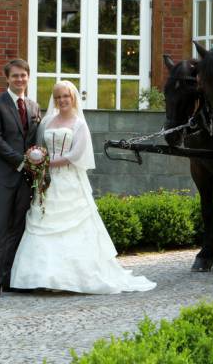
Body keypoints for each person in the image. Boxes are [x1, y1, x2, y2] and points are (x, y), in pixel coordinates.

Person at [10, 80, 156, 294]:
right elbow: (40, 147)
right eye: (58, 97)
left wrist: (48, 162)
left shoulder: (79, 124)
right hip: (48, 182)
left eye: (65, 96)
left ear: (73, 98)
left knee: (73, 226)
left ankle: (72, 279)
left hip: (69, 181)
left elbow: (76, 155)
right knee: (43, 222)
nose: (62, 100)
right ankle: (44, 278)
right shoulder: (47, 121)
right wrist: (37, 161)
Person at [0, 59, 40, 299]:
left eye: (23, 75)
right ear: (7, 78)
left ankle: (8, 278)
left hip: (25, 179)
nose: (20, 79)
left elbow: (33, 142)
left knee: (18, 228)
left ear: (28, 77)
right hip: (1, 177)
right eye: (15, 76)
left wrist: (36, 164)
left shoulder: (34, 107)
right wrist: (21, 161)